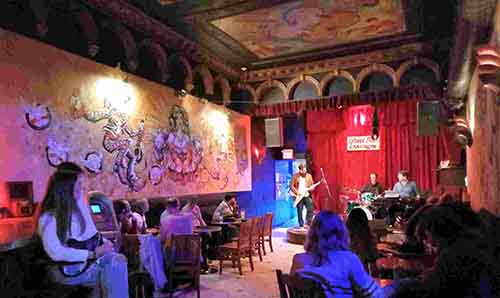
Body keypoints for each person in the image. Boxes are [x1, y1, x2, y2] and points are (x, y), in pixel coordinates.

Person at [37, 162, 129, 298]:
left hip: (83, 265)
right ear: (66, 189)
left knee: (117, 260)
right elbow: (56, 252)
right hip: (65, 270)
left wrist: (105, 244)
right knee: (111, 269)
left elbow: (91, 236)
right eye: (79, 186)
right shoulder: (49, 218)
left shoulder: (78, 210)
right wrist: (92, 254)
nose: (82, 189)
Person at [290, 211, 400, 298]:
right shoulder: (349, 260)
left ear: (312, 233)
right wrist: (395, 287)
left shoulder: (298, 260)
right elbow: (374, 295)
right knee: (406, 284)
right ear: (342, 233)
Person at [412, 206, 499, 297]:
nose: (428, 241)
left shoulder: (453, 254)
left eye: (427, 234)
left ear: (435, 231)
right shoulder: (471, 241)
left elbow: (431, 290)